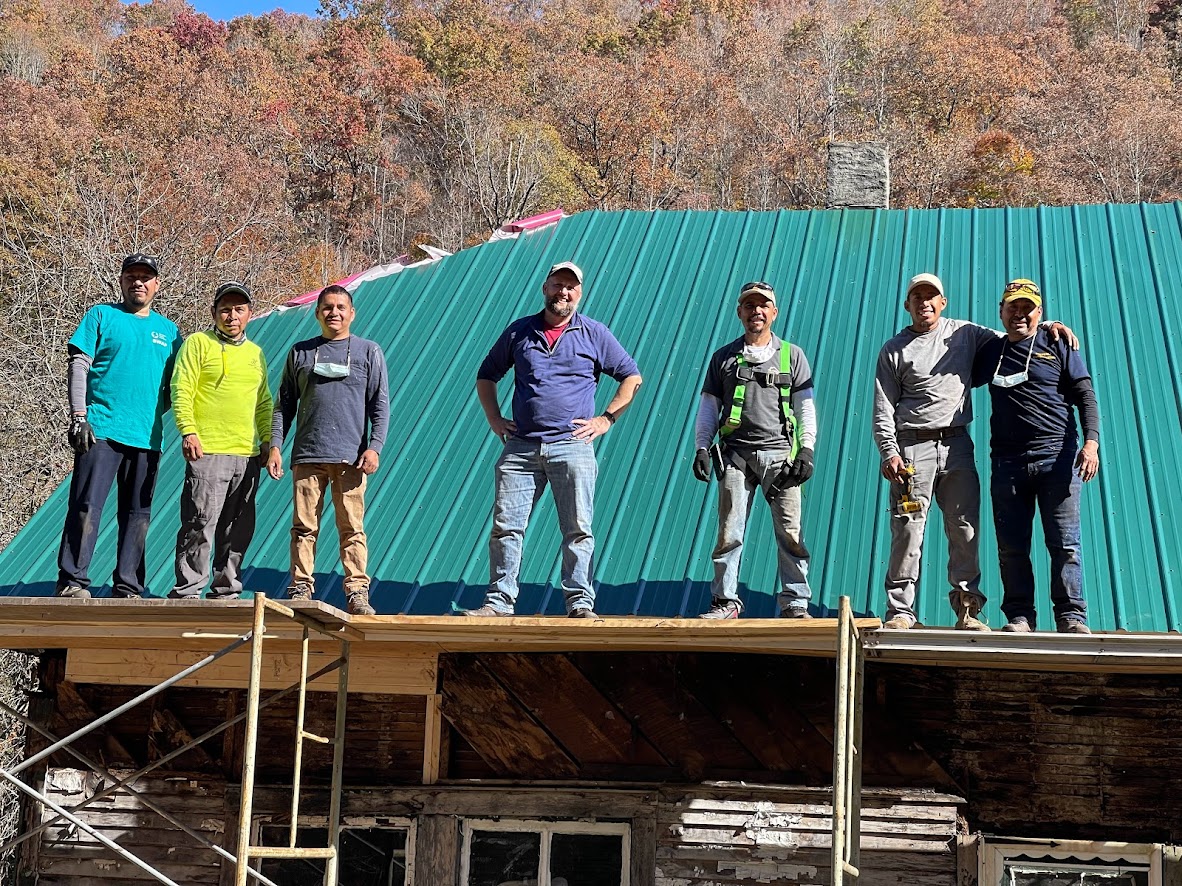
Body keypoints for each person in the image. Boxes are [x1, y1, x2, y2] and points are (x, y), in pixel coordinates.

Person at [467, 261, 642, 618]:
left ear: (579, 293)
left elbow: (631, 376)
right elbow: (486, 375)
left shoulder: (593, 333)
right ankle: (499, 602)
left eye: (571, 287)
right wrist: (494, 418)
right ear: (545, 287)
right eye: (558, 284)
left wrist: (606, 419)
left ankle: (579, 602)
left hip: (572, 445)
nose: (564, 292)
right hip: (521, 447)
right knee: (506, 528)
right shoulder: (519, 332)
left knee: (578, 529)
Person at [972, 279, 1099, 634]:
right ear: (1001, 311)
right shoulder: (990, 353)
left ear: (1039, 312)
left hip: (1058, 459)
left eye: (1027, 308)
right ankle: (1020, 617)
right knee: (1011, 547)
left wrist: (1092, 443)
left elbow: (1085, 394)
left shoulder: (1057, 342)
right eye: (1012, 307)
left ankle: (1072, 618)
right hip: (1008, 464)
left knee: (1064, 544)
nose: (1020, 314)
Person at [55, 252, 182, 599]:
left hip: (146, 437)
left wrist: (151, 410)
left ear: (157, 284)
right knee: (86, 505)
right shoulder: (101, 315)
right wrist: (79, 416)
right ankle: (72, 582)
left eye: (145, 277)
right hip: (100, 430)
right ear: (122, 280)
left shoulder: (170, 332)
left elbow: (177, 387)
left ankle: (127, 586)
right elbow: (79, 364)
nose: (138, 282)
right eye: (131, 276)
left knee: (137, 514)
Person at [692, 281, 817, 619]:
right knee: (728, 532)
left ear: (774, 313)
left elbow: (805, 407)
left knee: (791, 534)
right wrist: (702, 447)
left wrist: (806, 450)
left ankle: (795, 603)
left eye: (763, 306)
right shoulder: (724, 358)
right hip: (735, 455)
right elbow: (708, 406)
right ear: (740, 312)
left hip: (782, 457)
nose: (756, 311)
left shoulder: (793, 356)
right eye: (750, 306)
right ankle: (725, 602)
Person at [267, 284, 389, 616]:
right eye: (327, 307)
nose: (333, 312)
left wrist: (374, 447)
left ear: (352, 314)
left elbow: (380, 405)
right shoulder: (300, 352)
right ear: (317, 312)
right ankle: (301, 587)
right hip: (307, 456)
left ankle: (356, 591)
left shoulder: (368, 352)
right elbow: (284, 406)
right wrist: (275, 446)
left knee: (352, 527)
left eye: (340, 307)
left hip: (351, 458)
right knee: (304, 527)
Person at [168, 282, 272, 600]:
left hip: (247, 453)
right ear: (214, 313)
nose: (231, 315)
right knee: (200, 521)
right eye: (225, 309)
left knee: (238, 528)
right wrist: (188, 430)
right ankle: (188, 591)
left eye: (239, 309)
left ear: (249, 315)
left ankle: (226, 591)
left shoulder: (255, 354)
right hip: (208, 450)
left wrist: (268, 441)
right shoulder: (198, 344)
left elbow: (264, 401)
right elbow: (181, 387)